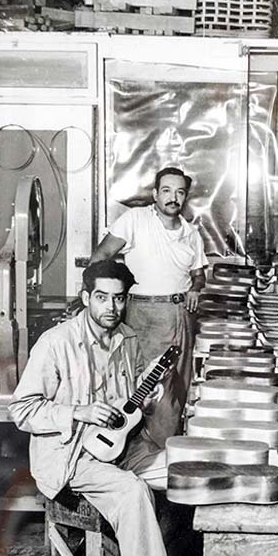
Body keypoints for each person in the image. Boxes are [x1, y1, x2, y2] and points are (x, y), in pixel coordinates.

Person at [9, 260, 180, 556]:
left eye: (119, 299)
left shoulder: (128, 340)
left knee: (182, 471)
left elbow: (131, 404)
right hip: (72, 455)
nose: (111, 308)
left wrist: (150, 396)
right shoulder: (56, 344)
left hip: (121, 446)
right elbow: (22, 411)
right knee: (132, 491)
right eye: (102, 298)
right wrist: (79, 411)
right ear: (86, 297)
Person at [89, 166, 207, 450]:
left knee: (172, 390)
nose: (173, 197)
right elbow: (101, 256)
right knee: (133, 385)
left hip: (179, 315)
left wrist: (195, 288)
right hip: (140, 314)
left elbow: (199, 273)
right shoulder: (135, 220)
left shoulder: (191, 234)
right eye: (166, 190)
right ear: (155, 194)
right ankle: (121, 453)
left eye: (179, 192)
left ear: (185, 197)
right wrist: (108, 297)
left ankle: (160, 457)